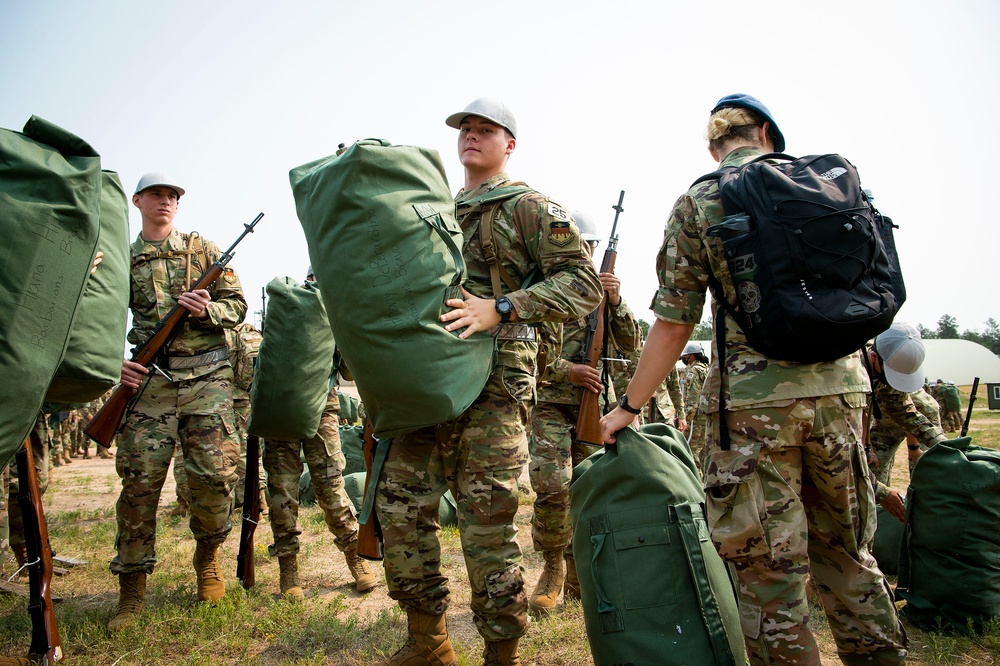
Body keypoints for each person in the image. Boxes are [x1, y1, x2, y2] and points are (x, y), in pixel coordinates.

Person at [600, 94, 907, 665]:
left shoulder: (701, 199)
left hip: (752, 411)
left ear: (713, 146)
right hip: (842, 395)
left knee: (770, 571)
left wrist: (628, 406)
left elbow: (672, 325)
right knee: (848, 553)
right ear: (767, 132)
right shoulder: (830, 184)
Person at [374, 98, 602, 666]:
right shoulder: (437, 211)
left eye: (485, 130)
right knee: (399, 505)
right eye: (464, 130)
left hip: (496, 385)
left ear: (509, 144)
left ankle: (503, 652)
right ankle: (427, 640)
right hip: (427, 383)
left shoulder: (530, 207)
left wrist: (502, 306)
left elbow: (584, 284)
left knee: (488, 520)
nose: (471, 137)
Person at [108, 172, 246, 631]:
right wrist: (117, 367)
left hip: (207, 377)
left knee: (215, 479)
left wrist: (208, 309)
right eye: (156, 194)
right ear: (137, 201)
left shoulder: (203, 251)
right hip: (150, 384)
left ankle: (207, 559)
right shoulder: (120, 260)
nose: (165, 201)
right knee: (139, 485)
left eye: (173, 196)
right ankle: (132, 588)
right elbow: (99, 320)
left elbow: (238, 307)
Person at [526, 210, 641, 612]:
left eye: (589, 246)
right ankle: (553, 565)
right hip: (551, 405)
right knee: (552, 484)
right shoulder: (545, 288)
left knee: (589, 490)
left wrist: (616, 301)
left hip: (594, 411)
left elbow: (630, 346)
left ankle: (581, 573)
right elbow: (528, 353)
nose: (585, 252)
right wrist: (566, 370)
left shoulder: (604, 296)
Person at [262, 268, 376, 599]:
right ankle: (299, 569)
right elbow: (349, 374)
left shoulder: (290, 307)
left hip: (295, 408)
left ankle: (306, 570)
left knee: (294, 491)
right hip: (308, 409)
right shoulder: (331, 311)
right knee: (322, 489)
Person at [865, 322, 947, 523]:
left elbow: (906, 413)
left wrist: (945, 446)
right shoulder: (846, 370)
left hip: (872, 423)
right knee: (869, 487)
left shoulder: (891, 365)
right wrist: (867, 448)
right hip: (846, 431)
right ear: (874, 358)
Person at [680, 340, 710, 473]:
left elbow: (693, 398)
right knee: (704, 453)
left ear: (691, 356)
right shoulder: (706, 368)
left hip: (697, 418)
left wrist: (685, 418)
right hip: (707, 417)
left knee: (691, 453)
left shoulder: (694, 371)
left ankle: (696, 485)